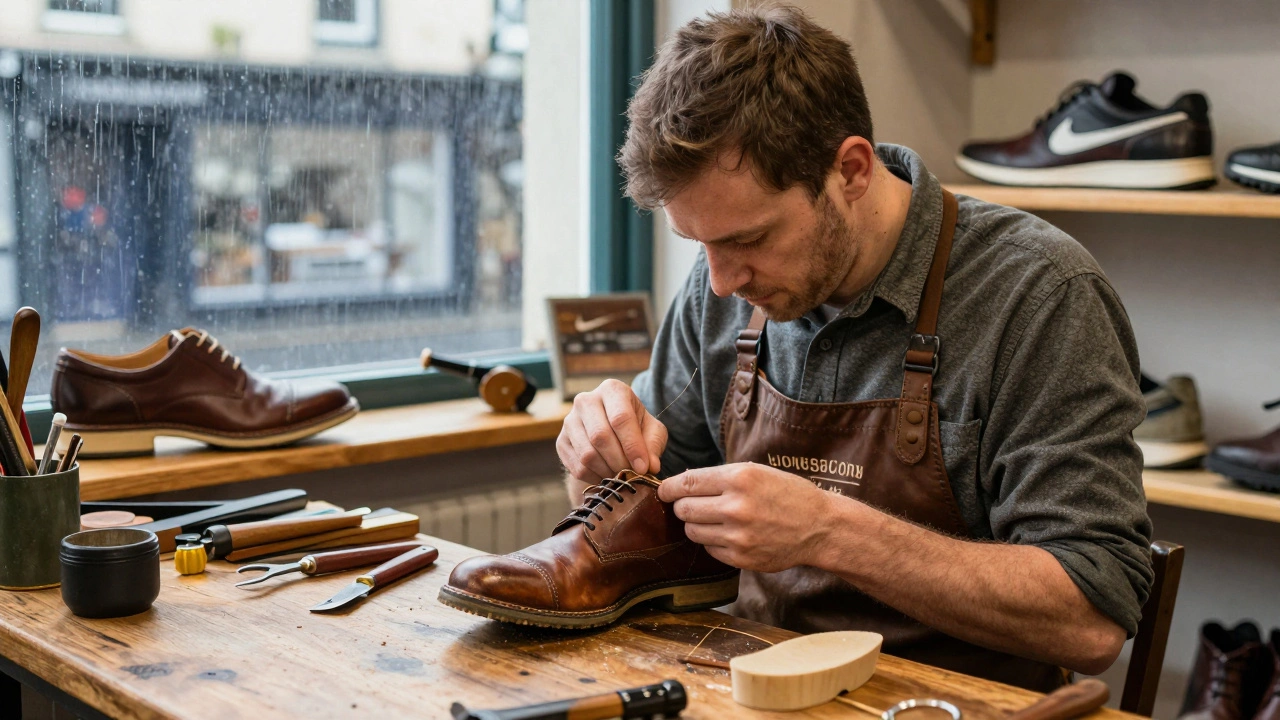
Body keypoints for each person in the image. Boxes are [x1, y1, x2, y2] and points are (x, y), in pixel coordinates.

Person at [555, 4, 1152, 691]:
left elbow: (1091, 617)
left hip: (960, 703)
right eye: (700, 245)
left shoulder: (1039, 294)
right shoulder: (721, 282)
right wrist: (599, 468)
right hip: (757, 690)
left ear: (852, 171)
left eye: (749, 239)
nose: (721, 284)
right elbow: (655, 538)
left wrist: (829, 532)